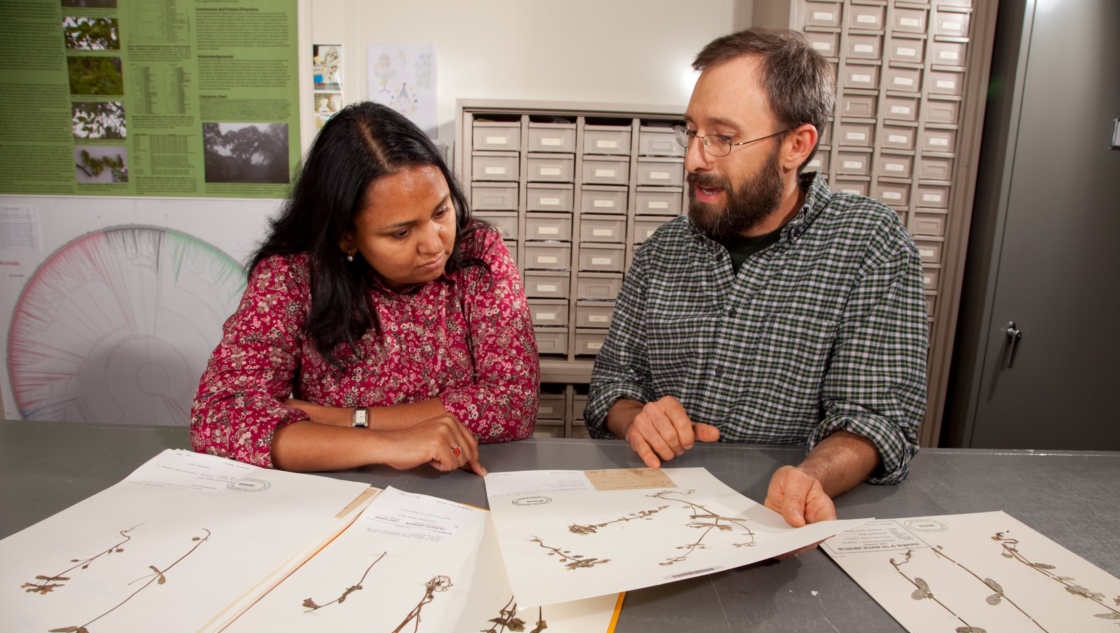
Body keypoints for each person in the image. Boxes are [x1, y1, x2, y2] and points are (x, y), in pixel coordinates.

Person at [585, 29, 928, 531]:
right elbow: (611, 386)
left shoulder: (869, 245)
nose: (694, 159)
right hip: (659, 514)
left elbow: (875, 418)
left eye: (723, 138)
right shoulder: (663, 251)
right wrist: (637, 417)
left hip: (782, 521)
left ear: (796, 145)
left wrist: (812, 475)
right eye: (692, 131)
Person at [191, 102, 539, 474]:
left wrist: (339, 420)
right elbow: (220, 416)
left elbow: (514, 402)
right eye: (401, 232)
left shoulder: (478, 252)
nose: (434, 244)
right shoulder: (292, 277)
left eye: (441, 212)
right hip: (338, 496)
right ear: (346, 237)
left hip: (457, 482)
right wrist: (389, 444)